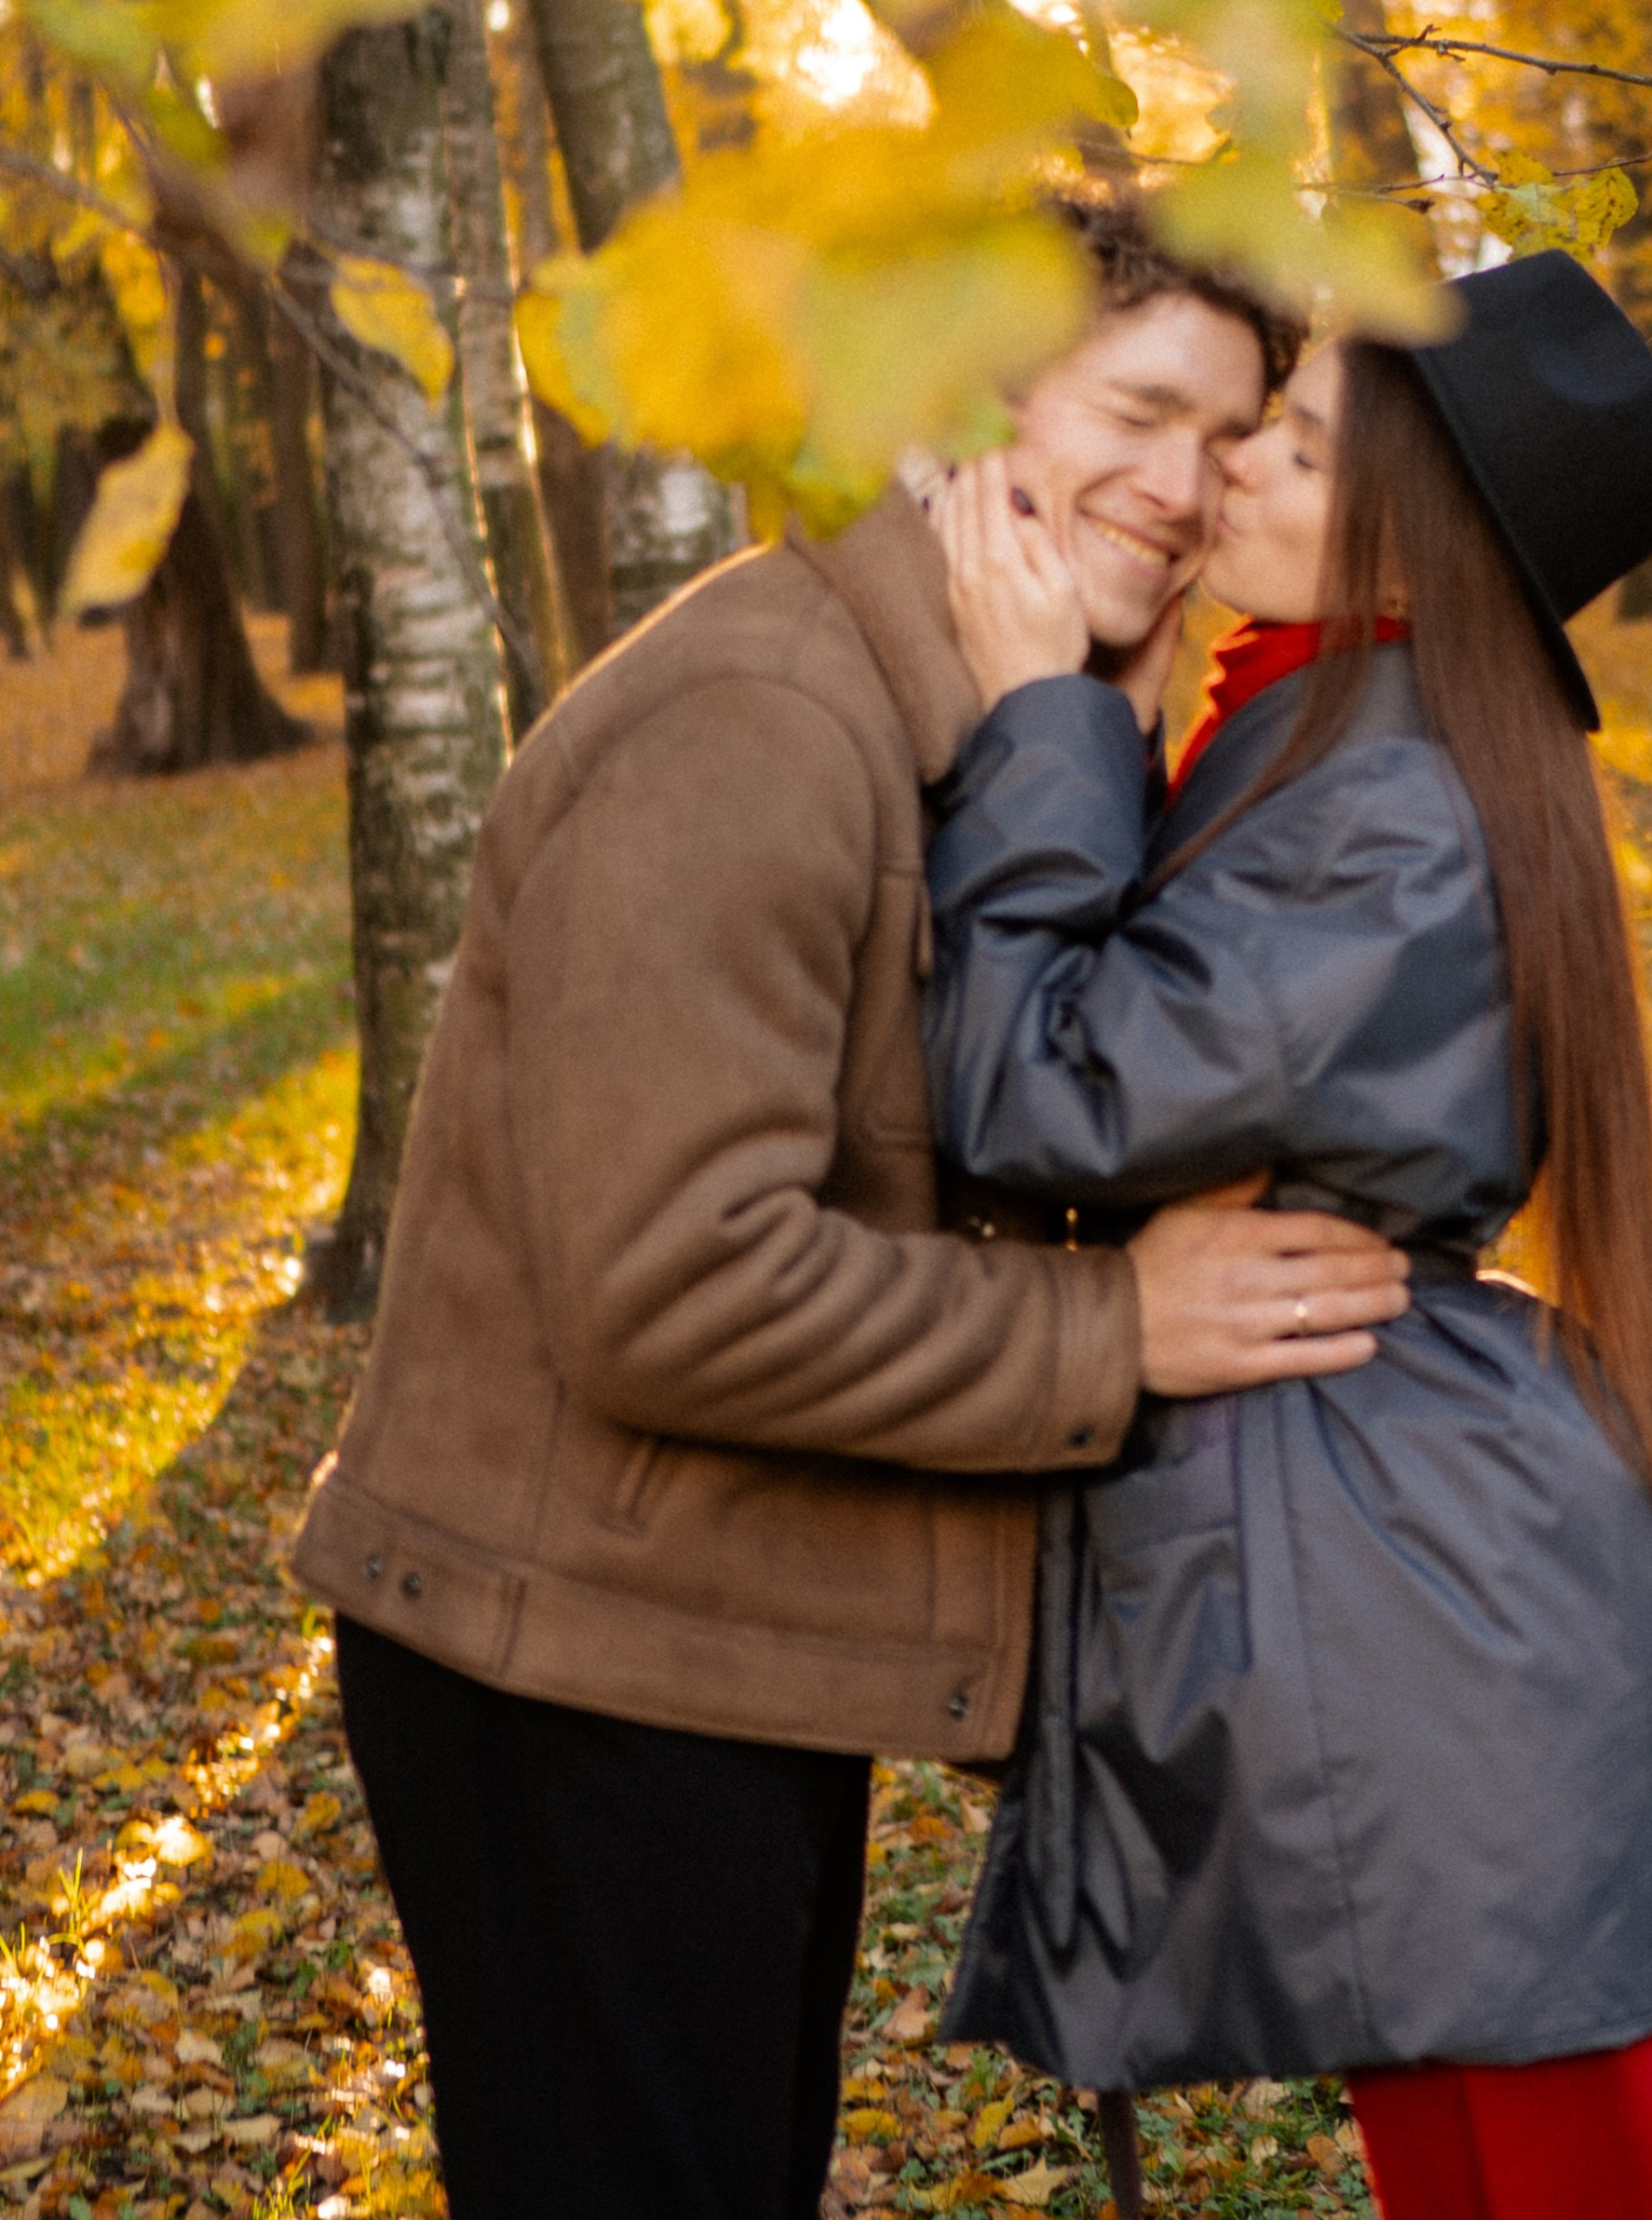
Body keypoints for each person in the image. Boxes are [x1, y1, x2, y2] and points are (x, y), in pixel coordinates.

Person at [291, 196, 1414, 2220]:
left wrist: (1084, 740)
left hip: (707, 1647)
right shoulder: (765, 721)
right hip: (567, 1680)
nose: (1183, 486)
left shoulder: (965, 715)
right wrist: (1118, 1332)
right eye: (1136, 411)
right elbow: (676, 1285)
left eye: (1228, 436)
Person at [924, 251, 1652, 2220]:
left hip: (1435, 1610)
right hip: (1427, 1584)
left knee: (1591, 2177)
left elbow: (1048, 1087)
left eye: (1294, 447)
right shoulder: (1337, 731)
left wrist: (1040, 719)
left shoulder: (1375, 790)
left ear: (1410, 529)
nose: (1229, 470)